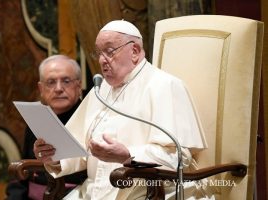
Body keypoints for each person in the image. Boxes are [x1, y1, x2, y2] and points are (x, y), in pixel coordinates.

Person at [34, 20, 214, 199]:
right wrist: (55, 156)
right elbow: (80, 150)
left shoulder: (165, 86)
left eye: (109, 51)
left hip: (144, 193)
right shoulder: (101, 89)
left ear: (134, 51)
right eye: (99, 53)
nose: (102, 60)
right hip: (93, 191)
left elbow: (178, 157)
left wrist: (128, 155)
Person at [6, 55, 87, 200]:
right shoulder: (36, 118)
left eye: (66, 81)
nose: (58, 89)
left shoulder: (90, 117)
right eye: (51, 82)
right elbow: (24, 173)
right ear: (41, 88)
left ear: (79, 85)